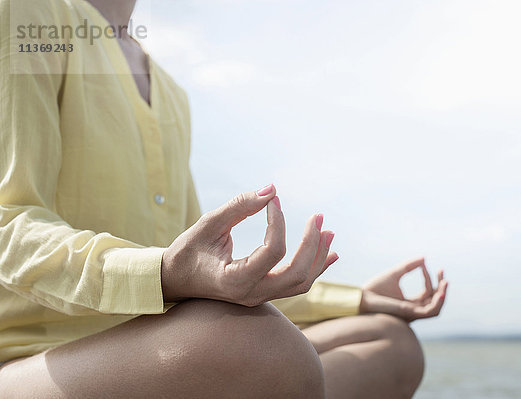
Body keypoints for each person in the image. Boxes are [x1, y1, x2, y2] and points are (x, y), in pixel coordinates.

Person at [0, 0, 448, 397]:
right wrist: (163, 273)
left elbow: (209, 273)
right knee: (260, 347)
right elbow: (7, 223)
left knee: (391, 343)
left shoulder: (172, 94)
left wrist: (357, 299)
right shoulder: (30, 12)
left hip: (164, 348)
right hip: (32, 363)